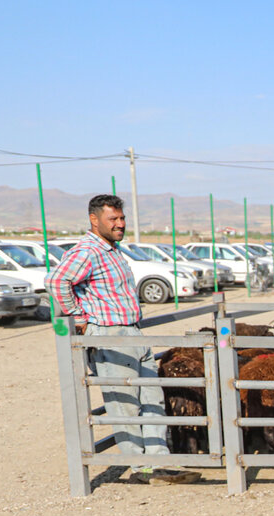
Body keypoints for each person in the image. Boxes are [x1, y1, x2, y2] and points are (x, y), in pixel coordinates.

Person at [48, 194, 201, 485]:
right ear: (94, 220)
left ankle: (160, 462)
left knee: (152, 397)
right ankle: (142, 468)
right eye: (113, 219)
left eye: (121, 218)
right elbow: (57, 280)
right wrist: (79, 317)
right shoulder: (88, 251)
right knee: (125, 404)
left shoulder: (112, 249)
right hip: (110, 334)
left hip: (132, 331)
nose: (120, 224)